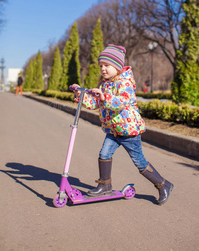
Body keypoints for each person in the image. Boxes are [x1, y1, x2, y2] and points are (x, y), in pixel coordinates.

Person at [71, 44, 173, 205]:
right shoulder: (105, 84)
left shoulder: (125, 82)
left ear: (117, 66)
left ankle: (163, 185)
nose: (103, 69)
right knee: (104, 154)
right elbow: (95, 104)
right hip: (113, 131)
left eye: (107, 65)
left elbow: (122, 101)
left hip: (128, 131)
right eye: (101, 66)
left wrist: (105, 98)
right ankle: (105, 185)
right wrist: (81, 94)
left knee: (140, 162)